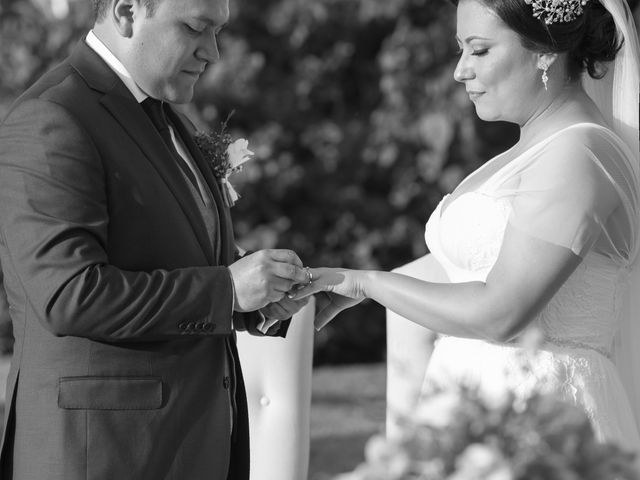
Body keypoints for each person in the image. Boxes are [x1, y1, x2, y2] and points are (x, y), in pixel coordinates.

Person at [294, 0, 640, 453]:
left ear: (545, 52)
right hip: (475, 408)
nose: (460, 71)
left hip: (541, 418)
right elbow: (467, 270)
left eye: (479, 51)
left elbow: (501, 314)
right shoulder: (537, 148)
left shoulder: (577, 155)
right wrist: (331, 283)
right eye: (461, 49)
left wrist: (365, 283)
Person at [0, 0, 311, 478]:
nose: (213, 52)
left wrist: (256, 299)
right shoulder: (52, 117)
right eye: (194, 28)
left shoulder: (163, 115)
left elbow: (166, 254)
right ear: (127, 12)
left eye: (218, 31)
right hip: (101, 456)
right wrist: (225, 291)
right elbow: (69, 294)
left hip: (183, 447)